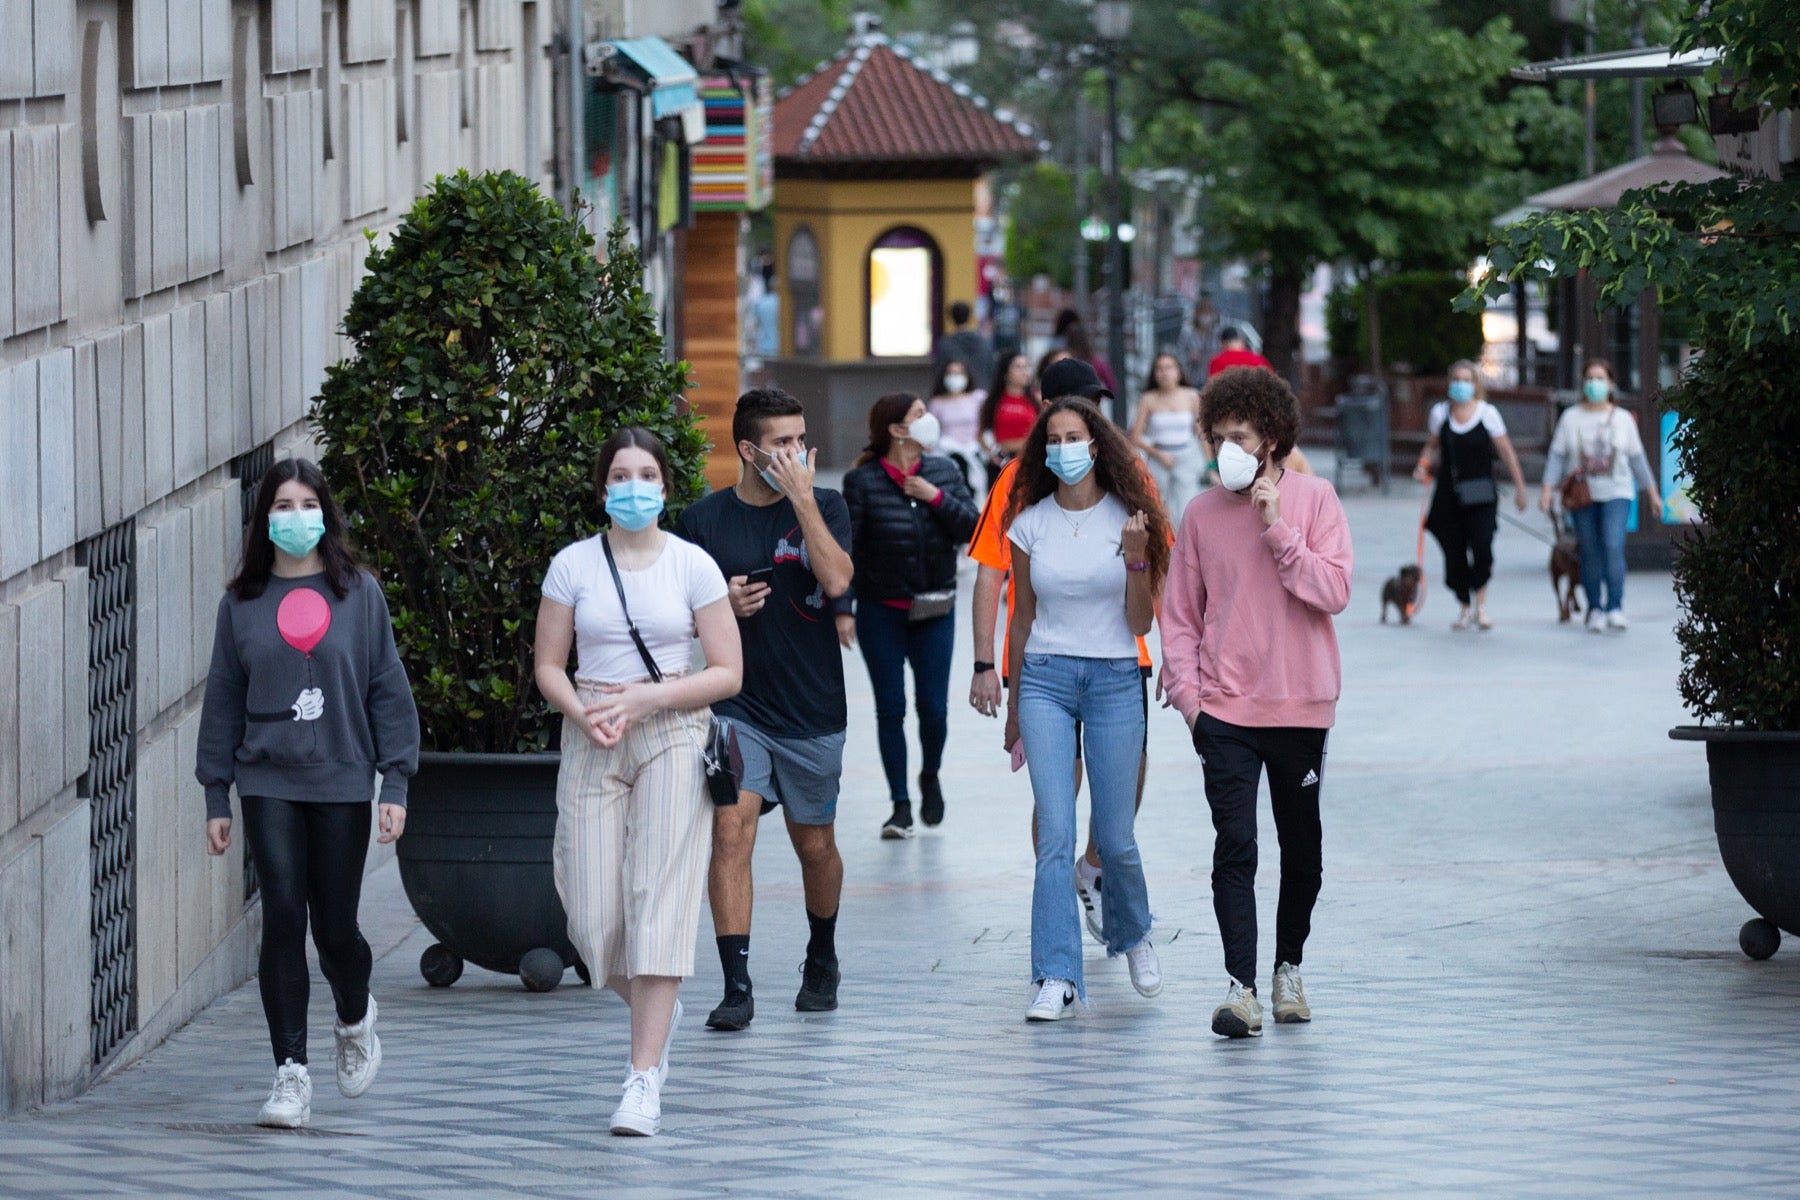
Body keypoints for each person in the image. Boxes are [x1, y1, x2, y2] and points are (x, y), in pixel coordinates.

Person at [196, 458, 420, 1129]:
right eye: (282, 506)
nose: (296, 517)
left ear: (326, 512)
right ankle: (290, 1073)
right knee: (284, 915)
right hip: (267, 780)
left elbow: (386, 687)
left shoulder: (360, 595)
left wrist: (396, 780)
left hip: (344, 779)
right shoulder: (240, 604)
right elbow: (223, 699)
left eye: (306, 504)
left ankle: (355, 1014)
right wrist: (216, 794)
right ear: (265, 519)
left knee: (336, 928)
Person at [534, 428, 744, 1137]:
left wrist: (648, 700)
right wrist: (582, 711)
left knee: (658, 904)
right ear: (602, 488)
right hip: (591, 729)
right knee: (591, 916)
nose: (632, 487)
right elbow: (548, 666)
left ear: (664, 486)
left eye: (646, 474)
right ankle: (658, 996)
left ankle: (643, 1077)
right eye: (619, 475)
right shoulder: (572, 566)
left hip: (671, 732)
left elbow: (726, 671)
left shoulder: (693, 567)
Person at [1160, 366, 1353, 1040]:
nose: (1225, 451)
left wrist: (1278, 531)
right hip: (1226, 715)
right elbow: (1179, 616)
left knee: (1303, 853)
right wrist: (1190, 700)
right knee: (1235, 846)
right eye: (1216, 438)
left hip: (1301, 707)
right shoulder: (1201, 514)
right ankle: (1240, 989)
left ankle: (1287, 968)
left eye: (1238, 437)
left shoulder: (1318, 499)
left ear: (1270, 437)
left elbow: (1333, 590)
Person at [672, 388, 856, 1033]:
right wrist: (718, 604)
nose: (797, 452)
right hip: (735, 706)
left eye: (801, 439)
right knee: (731, 830)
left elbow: (836, 582)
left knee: (815, 844)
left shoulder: (827, 503)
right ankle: (737, 984)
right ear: (748, 451)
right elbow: (673, 617)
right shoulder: (701, 523)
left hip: (812, 708)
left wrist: (803, 498)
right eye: (782, 443)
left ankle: (822, 955)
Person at [969, 358, 1159, 945]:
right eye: (1072, 413)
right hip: (1043, 660)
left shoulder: (1133, 477)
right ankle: (1059, 900)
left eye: (1094, 408)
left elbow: (1161, 571)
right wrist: (985, 665)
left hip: (1120, 660)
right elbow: (990, 576)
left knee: (1120, 802)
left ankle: (1096, 873)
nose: (1086, 424)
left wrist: (1176, 653)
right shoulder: (1018, 482)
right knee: (1056, 803)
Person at [1002, 394, 1172, 1021]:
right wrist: (1017, 707)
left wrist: (1134, 558)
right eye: (1055, 439)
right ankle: (1055, 975)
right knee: (1055, 832)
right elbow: (1021, 619)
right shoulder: (1030, 523)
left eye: (1075, 436)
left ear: (1096, 445)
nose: (1065, 448)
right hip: (1045, 677)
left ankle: (1134, 934)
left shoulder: (1132, 519)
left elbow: (1139, 620)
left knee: (1116, 836)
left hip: (1113, 679)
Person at [843, 394, 980, 837]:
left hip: (935, 608)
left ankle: (930, 775)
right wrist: (843, 608)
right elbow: (846, 549)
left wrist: (935, 497)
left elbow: (972, 529)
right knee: (890, 709)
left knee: (934, 710)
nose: (929, 421)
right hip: (881, 611)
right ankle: (900, 804)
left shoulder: (944, 470)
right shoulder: (861, 482)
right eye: (919, 415)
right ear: (897, 430)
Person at [1539, 359, 1665, 632]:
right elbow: (1557, 457)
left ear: (1610, 384)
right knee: (1590, 551)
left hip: (1617, 491)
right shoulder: (1570, 417)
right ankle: (1594, 608)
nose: (1594, 383)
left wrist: (1653, 493)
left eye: (1600, 378)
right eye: (1590, 378)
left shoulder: (1622, 419)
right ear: (1583, 383)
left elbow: (1637, 459)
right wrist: (1547, 490)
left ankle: (1615, 607)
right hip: (1582, 495)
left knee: (1612, 544)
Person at [1413, 361, 1530, 631]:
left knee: (1482, 546)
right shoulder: (1440, 413)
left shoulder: (1487, 414)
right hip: (1448, 494)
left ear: (1476, 385)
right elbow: (1432, 445)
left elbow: (1506, 452)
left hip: (1481, 494)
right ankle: (1464, 606)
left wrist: (1521, 488)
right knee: (1453, 551)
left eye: (1466, 380)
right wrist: (1422, 465)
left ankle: (1481, 603)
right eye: (1456, 379)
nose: (1460, 384)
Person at [1129, 352, 1205, 522]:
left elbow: (1201, 433)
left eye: (1169, 368)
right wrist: (1158, 454)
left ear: (1178, 371)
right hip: (1159, 457)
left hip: (1186, 456)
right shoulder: (1148, 399)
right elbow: (1134, 437)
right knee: (1160, 508)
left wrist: (1210, 464)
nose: (1164, 373)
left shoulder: (1191, 396)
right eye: (1159, 369)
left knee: (1187, 506)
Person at [979, 352, 1041, 486]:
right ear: (1006, 372)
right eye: (1018, 367)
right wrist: (991, 453)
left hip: (1028, 460)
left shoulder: (1036, 400)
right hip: (1002, 461)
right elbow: (981, 432)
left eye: (1026, 367)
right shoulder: (994, 401)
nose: (1024, 372)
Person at [928, 357, 986, 497]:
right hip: (947, 455)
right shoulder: (936, 403)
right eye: (951, 373)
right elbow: (933, 431)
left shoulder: (978, 398)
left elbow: (985, 426)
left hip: (973, 453)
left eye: (959, 373)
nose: (955, 377)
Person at [934, 299, 996, 390]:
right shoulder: (984, 342)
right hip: (982, 393)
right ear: (970, 317)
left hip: (956, 395)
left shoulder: (945, 345)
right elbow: (992, 370)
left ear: (951, 318)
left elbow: (939, 374)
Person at [1176, 292, 1223, 384]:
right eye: (1202, 313)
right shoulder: (1187, 332)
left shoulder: (1218, 332)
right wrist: (1189, 356)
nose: (1205, 316)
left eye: (1208, 313)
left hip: (1214, 376)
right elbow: (1179, 353)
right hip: (1193, 377)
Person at [1206, 327, 1274, 378]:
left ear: (1222, 343)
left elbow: (1213, 388)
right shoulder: (1260, 360)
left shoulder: (1217, 361)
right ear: (1241, 342)